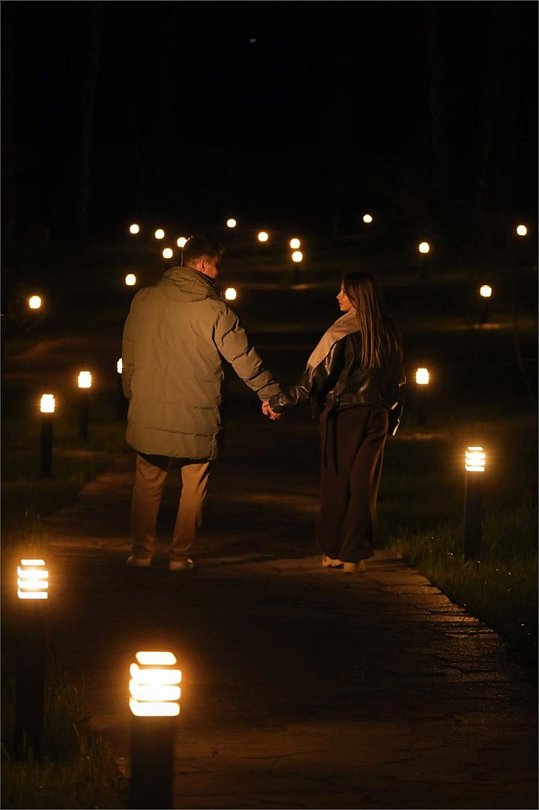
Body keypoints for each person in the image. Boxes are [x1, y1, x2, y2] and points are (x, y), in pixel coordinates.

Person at [121, 234, 281, 571]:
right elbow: (244, 358)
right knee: (194, 485)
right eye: (218, 265)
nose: (219, 273)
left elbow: (129, 353)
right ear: (204, 264)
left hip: (149, 408)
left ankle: (141, 552)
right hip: (198, 412)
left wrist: (131, 393)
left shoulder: (144, 299)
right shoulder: (216, 310)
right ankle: (180, 556)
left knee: (147, 483)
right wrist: (269, 394)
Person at [266, 271, 405, 573]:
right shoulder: (389, 331)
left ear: (356, 296)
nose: (338, 297)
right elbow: (399, 383)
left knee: (337, 482)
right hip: (378, 414)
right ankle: (354, 553)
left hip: (344, 415)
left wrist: (279, 403)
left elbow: (312, 379)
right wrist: (391, 420)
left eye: (343, 292)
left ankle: (333, 551)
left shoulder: (339, 333)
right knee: (363, 484)